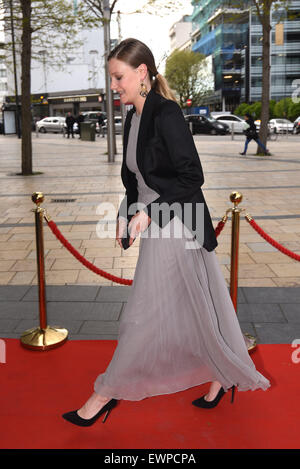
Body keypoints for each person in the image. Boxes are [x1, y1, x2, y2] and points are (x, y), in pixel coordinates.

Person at [62, 38, 270, 427]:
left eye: (118, 77)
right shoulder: (134, 117)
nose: (113, 86)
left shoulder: (166, 113)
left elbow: (193, 176)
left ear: (141, 73)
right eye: (112, 78)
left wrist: (150, 213)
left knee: (142, 314)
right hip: (161, 223)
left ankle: (103, 395)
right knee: (198, 308)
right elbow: (135, 182)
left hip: (176, 222)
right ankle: (221, 377)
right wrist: (128, 216)